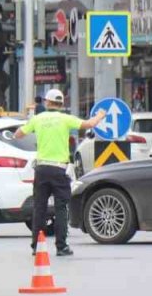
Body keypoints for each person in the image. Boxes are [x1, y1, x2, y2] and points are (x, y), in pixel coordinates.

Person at [15, 88, 106, 256]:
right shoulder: (66, 119)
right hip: (59, 170)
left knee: (39, 208)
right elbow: (89, 124)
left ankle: (36, 245)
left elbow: (18, 134)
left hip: (41, 169)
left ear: (47, 102)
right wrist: (100, 115)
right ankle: (61, 246)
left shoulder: (38, 118)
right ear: (61, 104)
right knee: (61, 208)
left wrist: (30, 126)